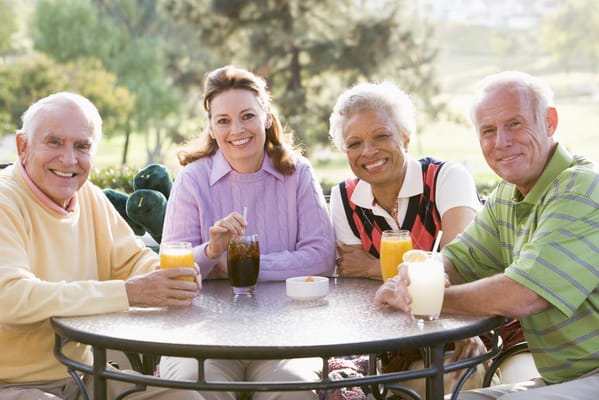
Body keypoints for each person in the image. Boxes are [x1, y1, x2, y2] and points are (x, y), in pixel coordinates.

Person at [375, 70, 599, 400]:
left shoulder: (581, 188)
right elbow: (458, 260)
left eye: (515, 124)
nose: (501, 142)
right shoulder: (507, 196)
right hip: (566, 378)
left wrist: (429, 298)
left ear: (549, 122)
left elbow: (525, 293)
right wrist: (414, 278)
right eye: (488, 131)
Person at [0, 92, 203, 400]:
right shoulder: (5, 202)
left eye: (82, 146)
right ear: (23, 146)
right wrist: (130, 293)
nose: (68, 159)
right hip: (12, 385)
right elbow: (11, 298)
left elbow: (133, 260)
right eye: (54, 142)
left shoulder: (90, 197)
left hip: (87, 376)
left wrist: (167, 276)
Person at [159, 65, 336, 400]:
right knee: (196, 393)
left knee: (292, 393)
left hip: (285, 335)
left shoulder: (297, 174)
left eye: (247, 116)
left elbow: (322, 257)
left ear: (267, 116)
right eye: (223, 120)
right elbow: (170, 269)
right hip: (200, 337)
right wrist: (211, 252)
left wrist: (244, 267)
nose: (236, 129)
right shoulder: (192, 178)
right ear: (211, 127)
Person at [328, 81, 489, 396]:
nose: (368, 151)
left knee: (457, 381)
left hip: (459, 328)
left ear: (404, 136)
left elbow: (457, 267)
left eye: (381, 136)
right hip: (395, 343)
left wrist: (375, 267)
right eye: (354, 143)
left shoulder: (446, 178)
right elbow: (354, 280)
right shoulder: (344, 198)